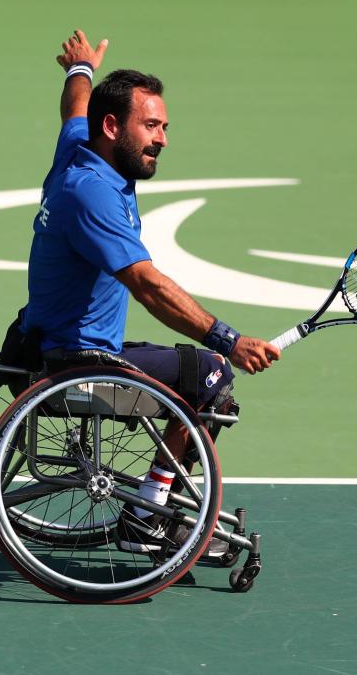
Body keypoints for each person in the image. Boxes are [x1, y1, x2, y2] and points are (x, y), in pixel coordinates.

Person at [15, 30, 280, 554]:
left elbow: (75, 107)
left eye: (164, 126)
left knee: (192, 369)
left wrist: (81, 69)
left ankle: (154, 508)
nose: (163, 139)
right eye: (152, 126)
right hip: (80, 362)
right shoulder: (92, 193)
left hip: (50, 342)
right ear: (113, 127)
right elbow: (149, 287)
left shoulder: (80, 147)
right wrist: (229, 341)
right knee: (211, 375)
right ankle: (147, 518)